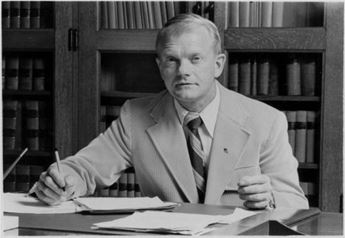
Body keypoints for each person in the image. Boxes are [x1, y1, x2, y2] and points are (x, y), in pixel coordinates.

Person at [33, 13, 309, 210]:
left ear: (218, 65)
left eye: (195, 58)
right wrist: (62, 181)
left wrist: (269, 199)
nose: (183, 71)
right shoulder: (135, 116)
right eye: (171, 60)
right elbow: (86, 168)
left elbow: (295, 203)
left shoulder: (266, 120)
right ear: (159, 66)